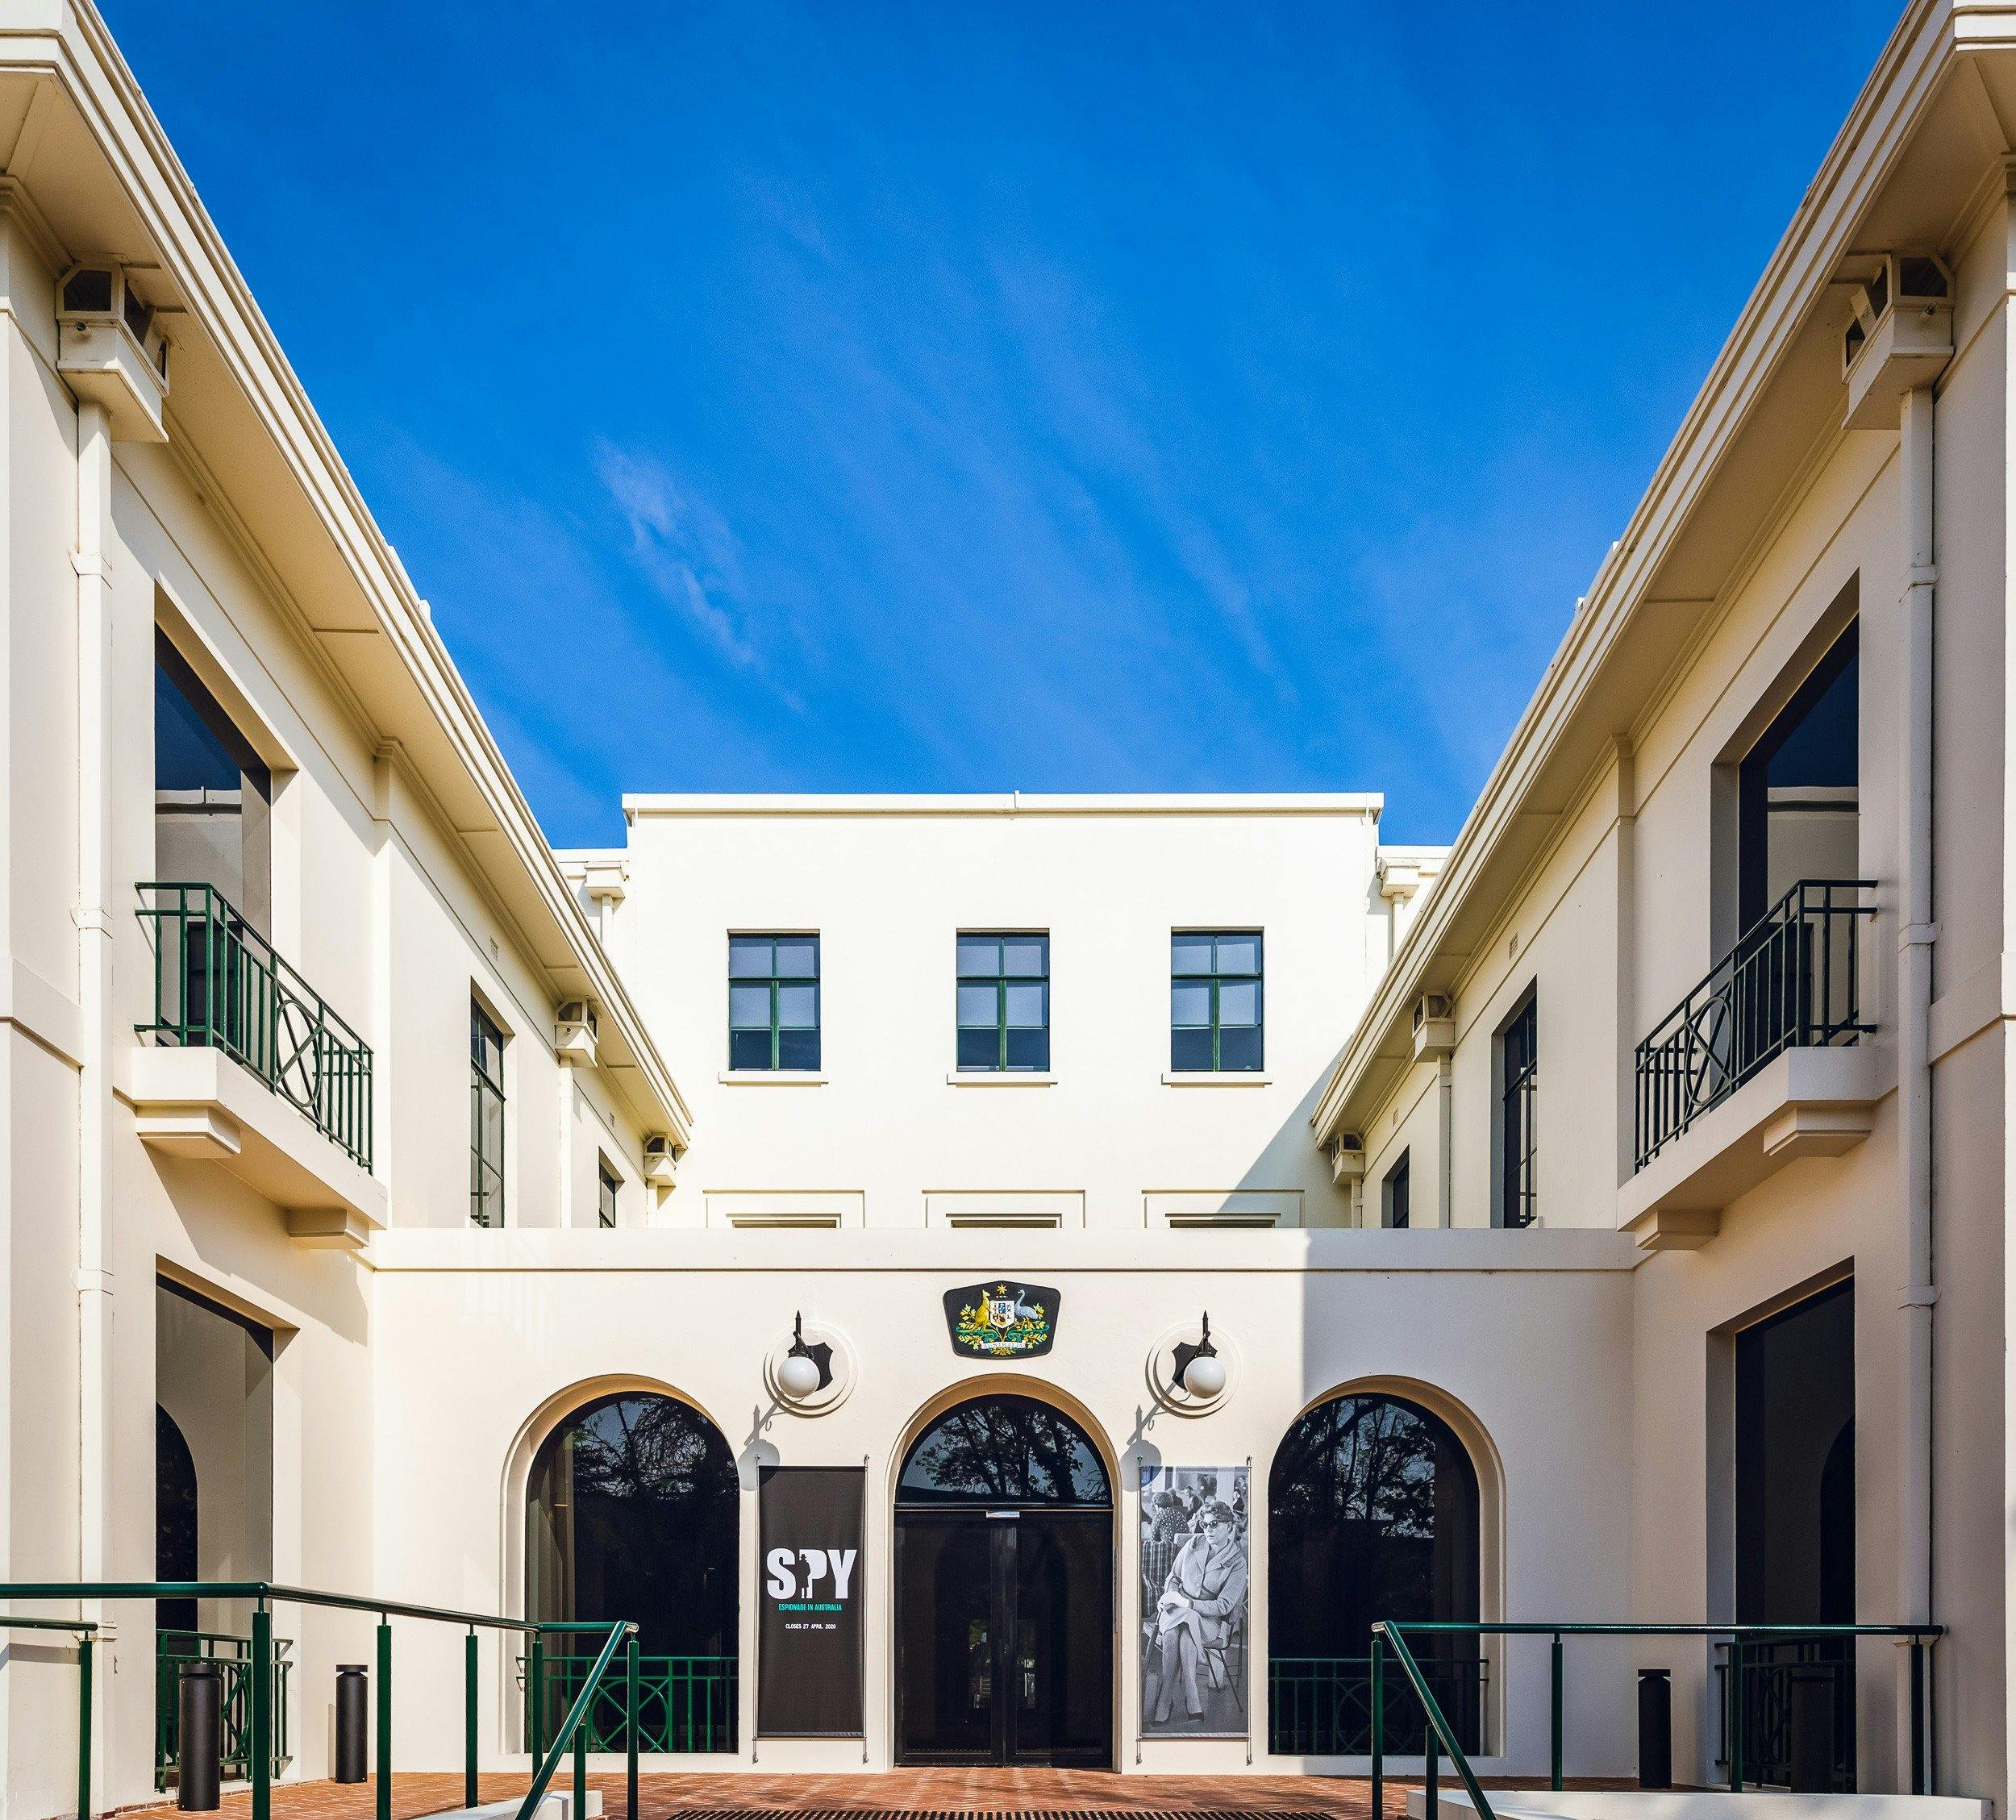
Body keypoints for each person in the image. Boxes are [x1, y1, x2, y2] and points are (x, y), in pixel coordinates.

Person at [1152, 1499, 1246, 1723]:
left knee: (1182, 1627)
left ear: (1229, 1526)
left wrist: (1189, 1605)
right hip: (1177, 1609)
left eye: (1215, 1524)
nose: (1208, 1530)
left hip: (1208, 1621)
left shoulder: (1237, 1562)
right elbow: (1174, 1577)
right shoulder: (1194, 1544)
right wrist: (1172, 1595)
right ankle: (1191, 1696)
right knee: (1180, 1630)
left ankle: (1165, 1699)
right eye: (1204, 1525)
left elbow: (1224, 1606)